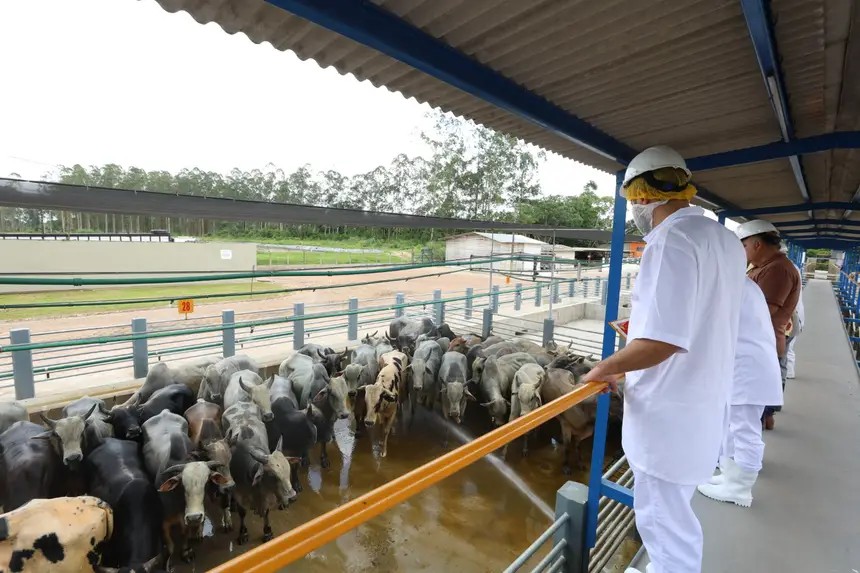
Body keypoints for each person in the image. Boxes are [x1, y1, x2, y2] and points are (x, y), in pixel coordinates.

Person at [580, 145, 746, 573]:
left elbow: (663, 342)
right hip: (703, 400)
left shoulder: (670, 240)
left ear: (640, 197)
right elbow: (699, 316)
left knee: (663, 519)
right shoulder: (725, 239)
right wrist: (644, 326)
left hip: (669, 409)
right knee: (674, 511)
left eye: (632, 201)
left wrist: (605, 368)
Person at [696, 277, 783, 507]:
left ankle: (740, 488)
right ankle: (731, 476)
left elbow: (707, 326)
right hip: (744, 364)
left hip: (746, 368)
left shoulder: (730, 286)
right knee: (732, 424)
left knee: (745, 428)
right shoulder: (743, 285)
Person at [735, 220, 801, 430]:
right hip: (757, 345)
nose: (741, 251)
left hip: (760, 346)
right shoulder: (764, 267)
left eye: (743, 246)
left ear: (757, 244)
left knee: (748, 416)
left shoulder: (777, 270)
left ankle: (743, 459)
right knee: (749, 412)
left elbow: (761, 311)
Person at [785, 259, 804, 379]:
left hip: (792, 315)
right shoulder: (793, 267)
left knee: (788, 347)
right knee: (789, 346)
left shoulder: (786, 269)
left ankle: (789, 372)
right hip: (796, 313)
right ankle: (789, 371)